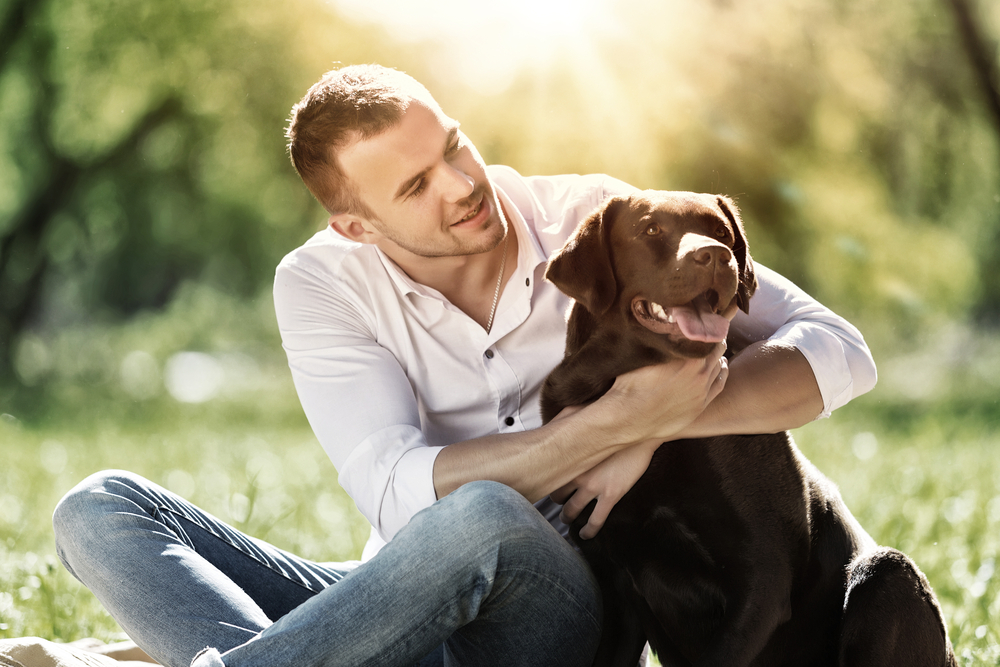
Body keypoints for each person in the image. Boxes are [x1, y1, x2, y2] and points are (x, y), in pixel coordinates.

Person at [52, 64, 877, 667]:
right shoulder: (320, 284)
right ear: (357, 227)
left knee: (484, 513)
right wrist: (608, 426)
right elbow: (393, 486)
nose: (459, 184)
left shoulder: (597, 225)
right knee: (97, 508)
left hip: (556, 607)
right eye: (415, 185)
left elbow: (839, 349)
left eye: (453, 145)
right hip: (398, 594)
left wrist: (669, 417)